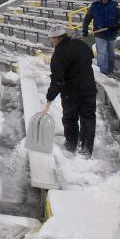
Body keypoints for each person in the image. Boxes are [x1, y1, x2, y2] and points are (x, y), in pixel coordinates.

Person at [43, 26, 97, 158]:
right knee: (88, 118)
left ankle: (71, 145)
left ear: (57, 38)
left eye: (52, 39)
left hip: (71, 93)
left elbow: (57, 79)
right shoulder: (81, 44)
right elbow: (90, 57)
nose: (52, 42)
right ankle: (86, 150)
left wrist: (50, 96)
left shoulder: (59, 53)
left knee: (70, 118)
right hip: (89, 88)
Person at [81, 0, 120, 77]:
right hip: (99, 34)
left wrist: (118, 24)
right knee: (102, 53)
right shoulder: (94, 7)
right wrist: (84, 29)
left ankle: (110, 71)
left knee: (111, 54)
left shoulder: (114, 6)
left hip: (112, 33)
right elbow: (87, 19)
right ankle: (103, 73)